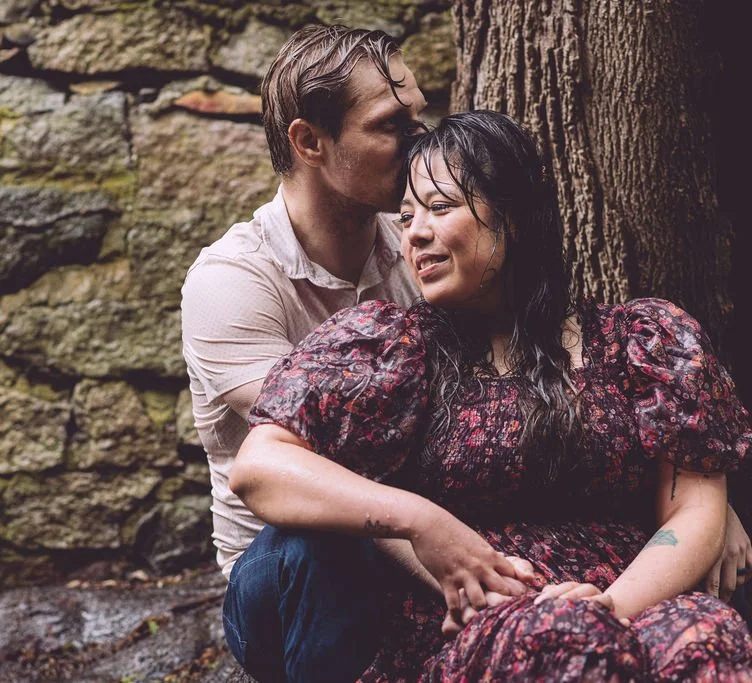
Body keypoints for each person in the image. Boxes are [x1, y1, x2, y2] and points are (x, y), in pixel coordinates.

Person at [232, 110, 752, 680]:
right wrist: (423, 522)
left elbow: (694, 507)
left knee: (707, 636)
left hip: (633, 601)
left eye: (439, 207)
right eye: (405, 217)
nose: (414, 234)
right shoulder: (393, 351)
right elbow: (259, 467)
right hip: (476, 624)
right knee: (563, 640)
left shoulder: (640, 341)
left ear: (515, 215)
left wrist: (610, 607)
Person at [179, 24, 501, 683]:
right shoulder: (231, 281)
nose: (419, 142)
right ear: (309, 142)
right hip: (286, 578)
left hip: (429, 540)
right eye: (390, 125)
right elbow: (328, 462)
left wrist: (690, 492)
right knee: (321, 538)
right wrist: (451, 557)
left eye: (419, 116)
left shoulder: (422, 247)